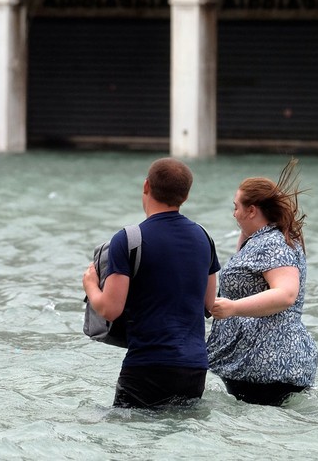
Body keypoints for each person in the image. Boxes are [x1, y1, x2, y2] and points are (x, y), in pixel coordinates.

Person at [83, 157, 221, 410]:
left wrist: (90, 285)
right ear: (186, 196)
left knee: (127, 439)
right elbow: (209, 304)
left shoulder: (128, 239)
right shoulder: (204, 237)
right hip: (195, 367)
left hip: (148, 364)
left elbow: (110, 309)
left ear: (146, 186)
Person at [206, 157, 318, 406]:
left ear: (252, 210)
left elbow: (286, 294)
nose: (234, 213)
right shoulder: (266, 238)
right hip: (263, 365)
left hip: (268, 366)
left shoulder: (272, 244)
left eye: (236, 207)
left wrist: (233, 308)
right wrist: (246, 228)